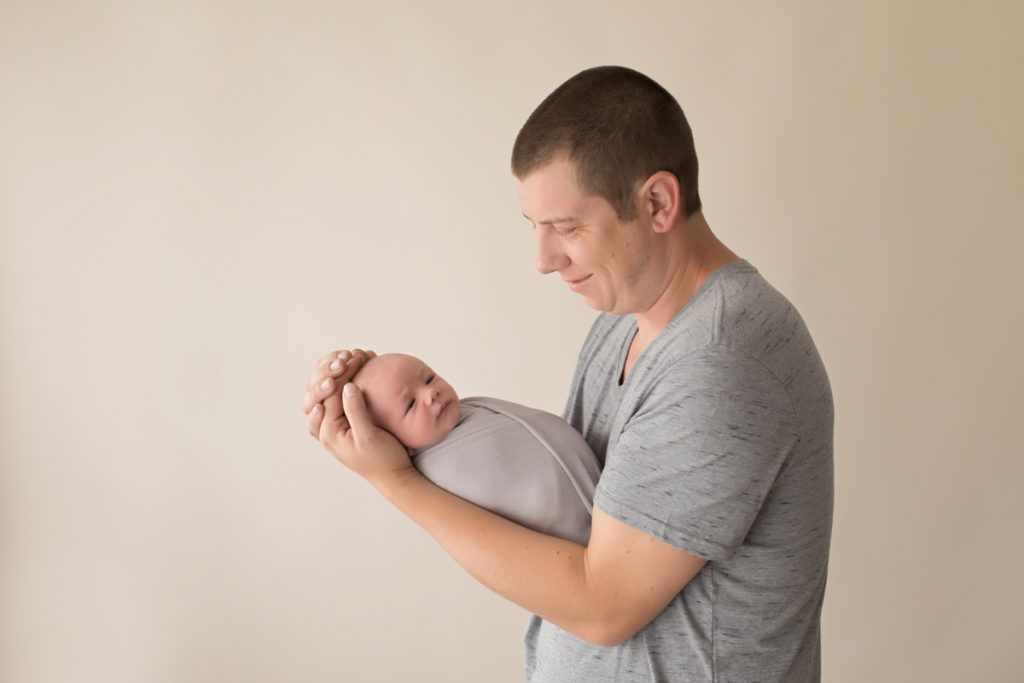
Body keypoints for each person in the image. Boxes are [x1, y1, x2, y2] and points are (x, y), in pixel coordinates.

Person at [302, 66, 833, 682]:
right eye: (536, 229)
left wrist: (394, 481)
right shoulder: (626, 315)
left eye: (568, 228)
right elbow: (573, 516)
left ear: (657, 203)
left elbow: (603, 605)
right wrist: (379, 404)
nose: (544, 260)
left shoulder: (722, 361)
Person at [349, 351, 599, 545]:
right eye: (410, 404)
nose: (431, 393)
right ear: (395, 443)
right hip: (576, 543)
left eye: (429, 378)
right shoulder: (438, 478)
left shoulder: (471, 412)